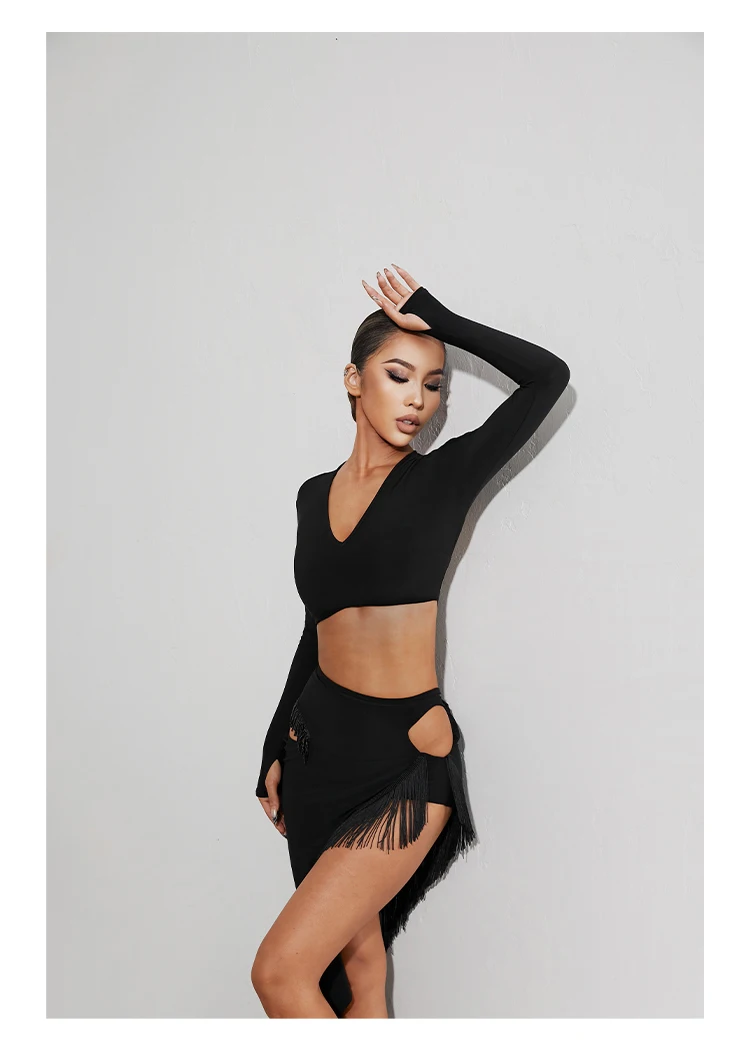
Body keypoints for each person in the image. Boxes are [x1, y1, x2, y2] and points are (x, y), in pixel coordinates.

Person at [251, 265, 571, 1018]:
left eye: (434, 386)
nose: (419, 401)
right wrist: (273, 744)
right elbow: (318, 626)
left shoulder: (443, 480)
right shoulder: (311, 497)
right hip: (315, 751)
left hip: (402, 762)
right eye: (399, 376)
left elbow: (548, 377)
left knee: (280, 973)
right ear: (353, 380)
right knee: (358, 966)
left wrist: (441, 321)